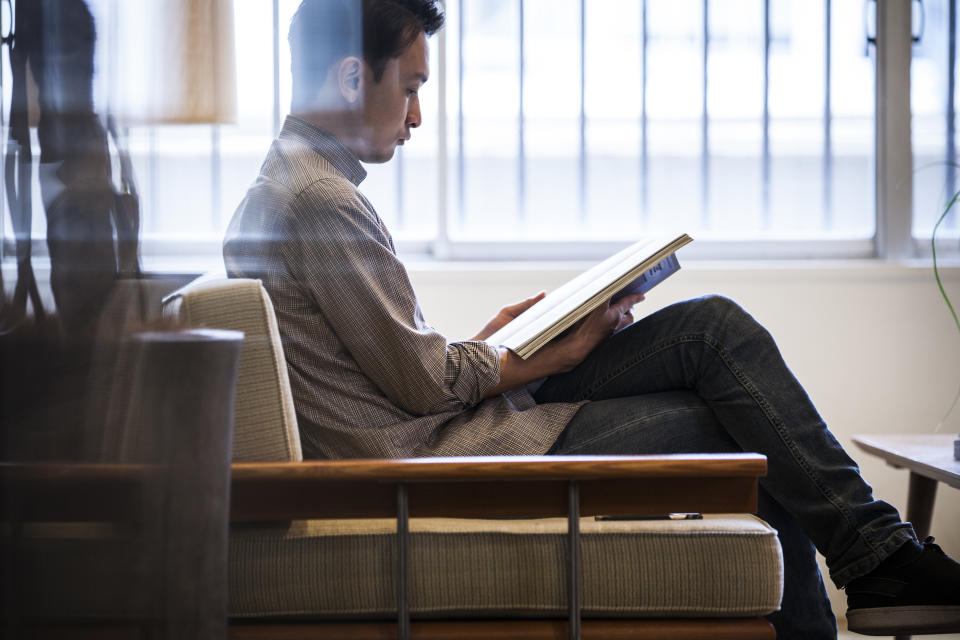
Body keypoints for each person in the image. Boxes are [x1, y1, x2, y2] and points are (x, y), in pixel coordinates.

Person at [223, 1, 960, 637]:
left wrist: (502, 345)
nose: (417, 115)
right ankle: (880, 562)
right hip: (447, 457)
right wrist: (543, 355)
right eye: (411, 88)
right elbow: (421, 385)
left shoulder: (288, 185)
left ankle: (878, 556)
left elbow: (390, 373)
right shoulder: (319, 200)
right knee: (739, 402)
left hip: (443, 433)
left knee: (711, 330)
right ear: (355, 76)